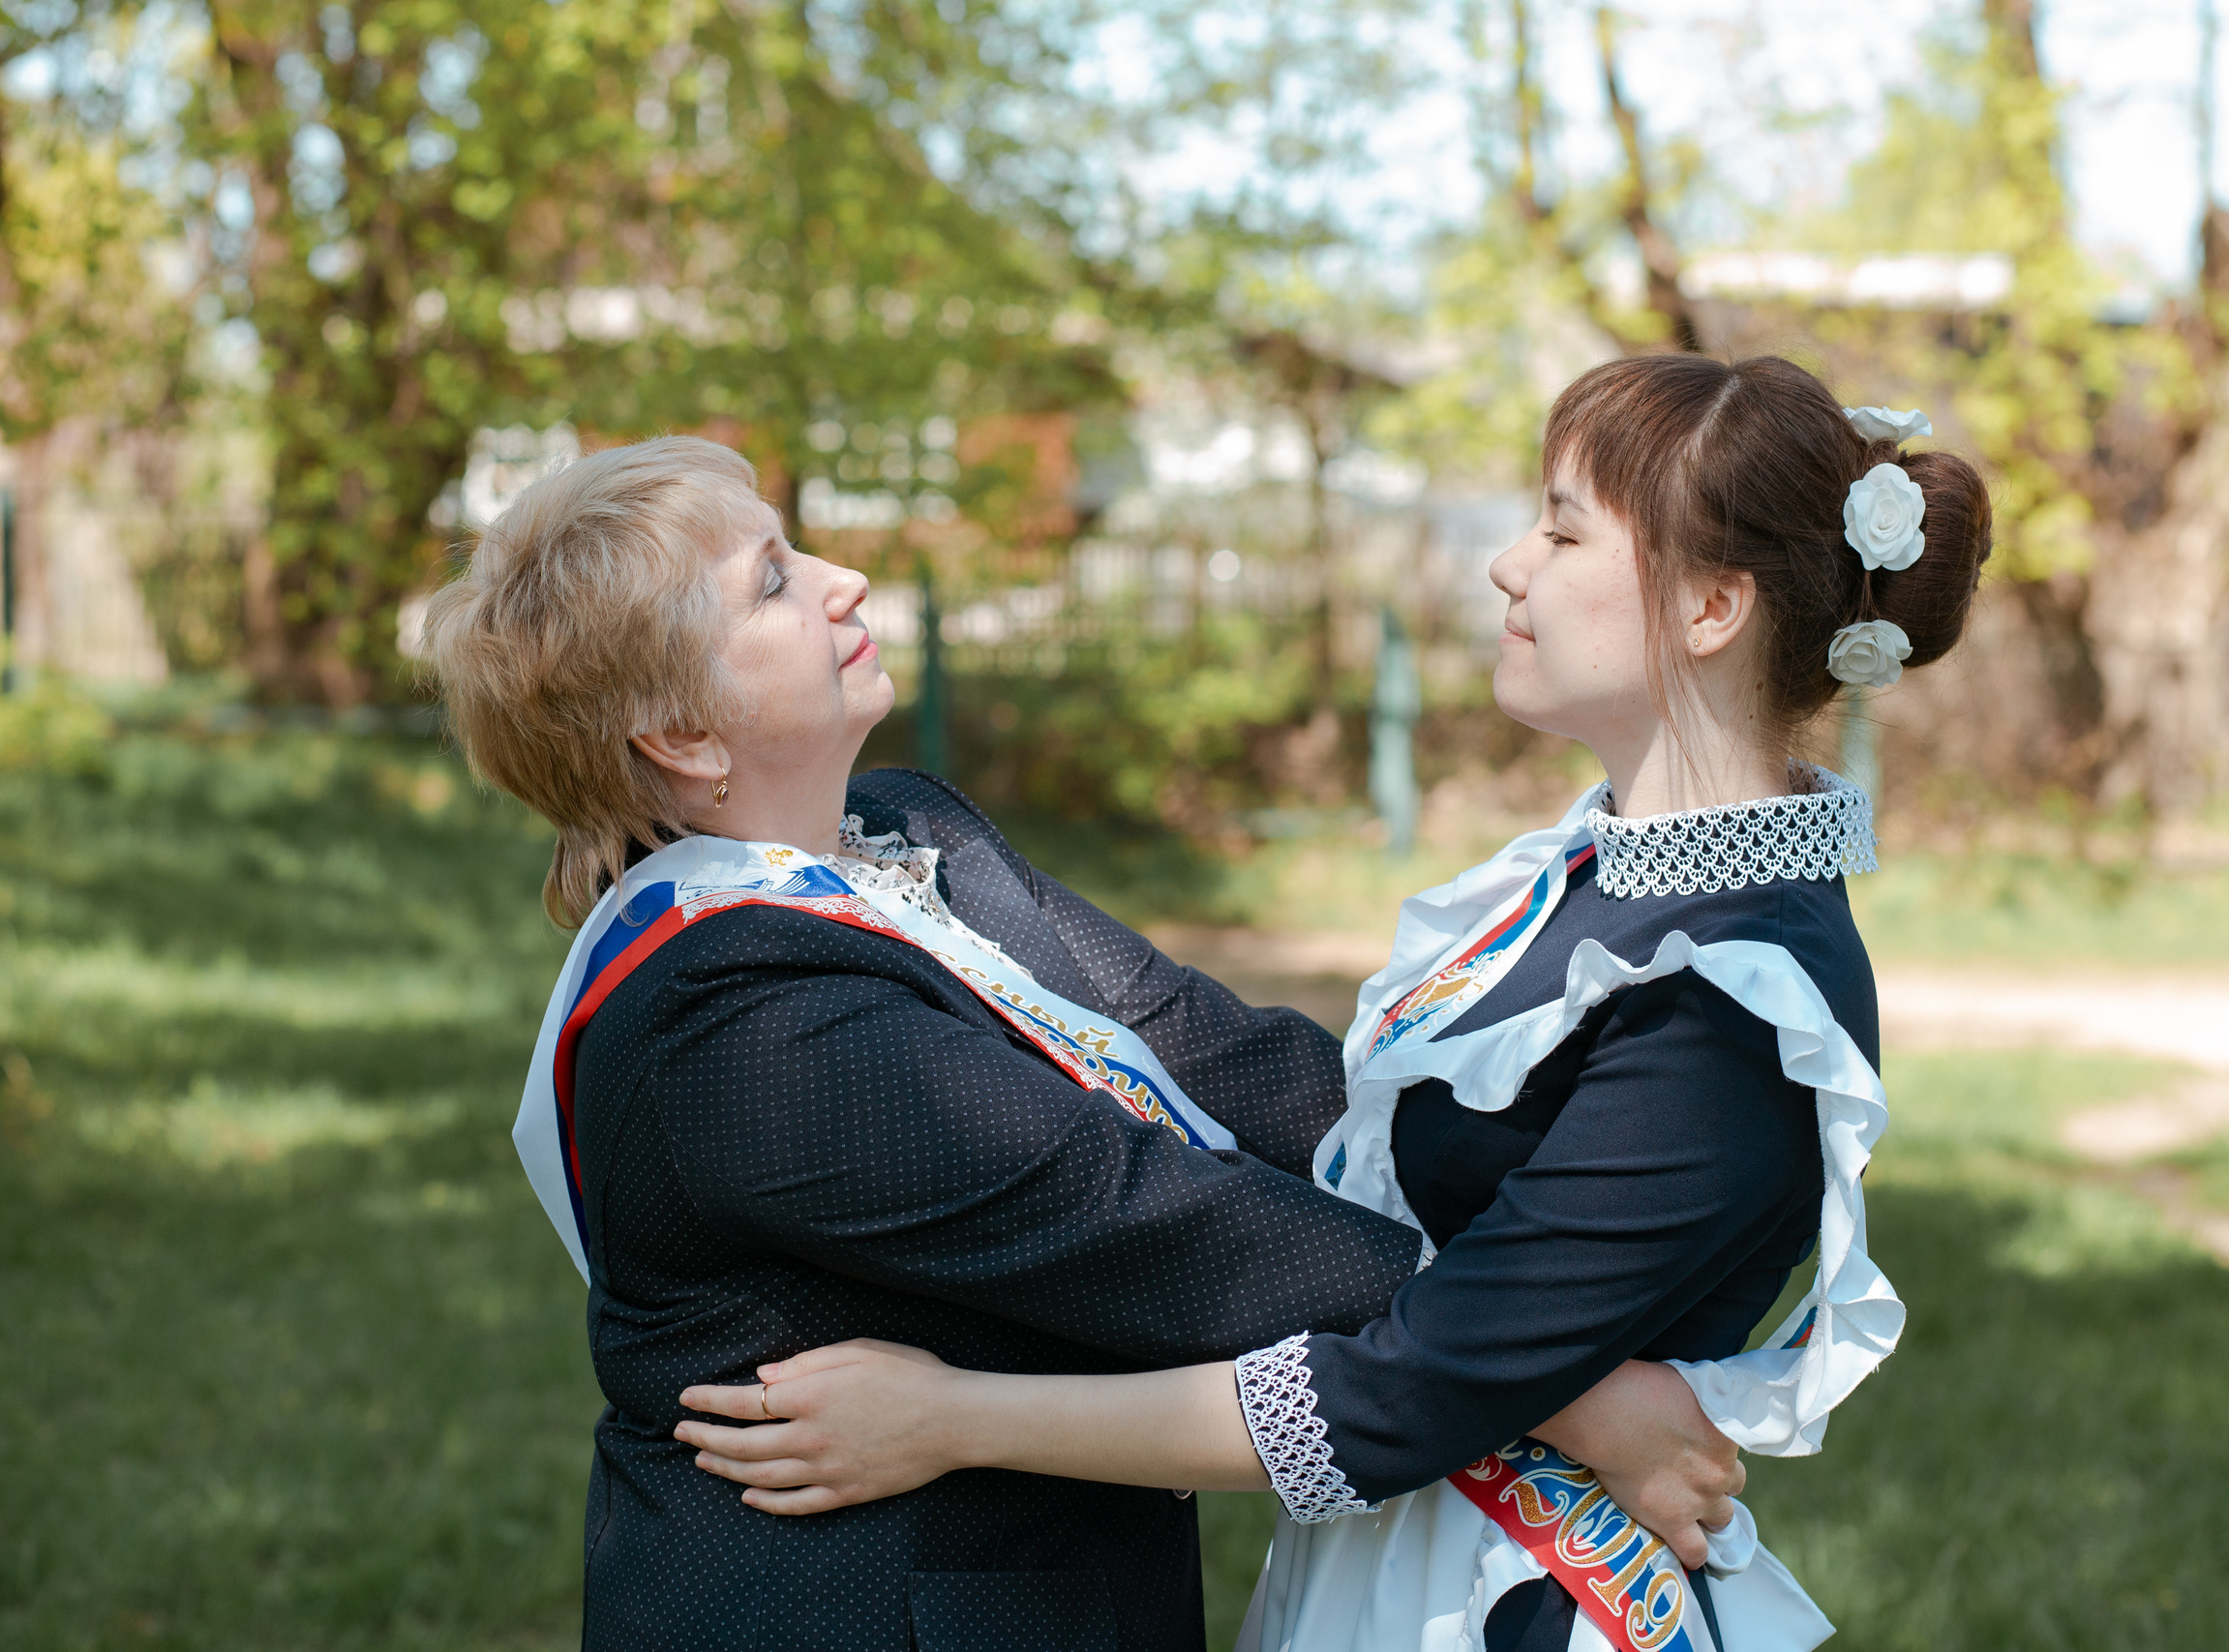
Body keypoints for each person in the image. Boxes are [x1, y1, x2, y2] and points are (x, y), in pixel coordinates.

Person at [675, 355, 1993, 1652]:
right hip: (1406, 1569)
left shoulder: (1733, 993)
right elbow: (1333, 1133)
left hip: (1520, 1600)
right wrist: (1575, 1391)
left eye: (1561, 530)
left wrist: (949, 1419)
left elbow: (1397, 1394)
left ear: (1711, 608)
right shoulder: (1618, 880)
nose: (1509, 565)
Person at [422, 434, 1749, 1652]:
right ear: (681, 735)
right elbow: (1146, 1220)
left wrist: (1539, 1179)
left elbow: (1207, 1050)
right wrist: (1557, 1371)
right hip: (868, 1613)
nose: (842, 579)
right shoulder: (740, 1030)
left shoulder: (914, 836)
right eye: (771, 581)